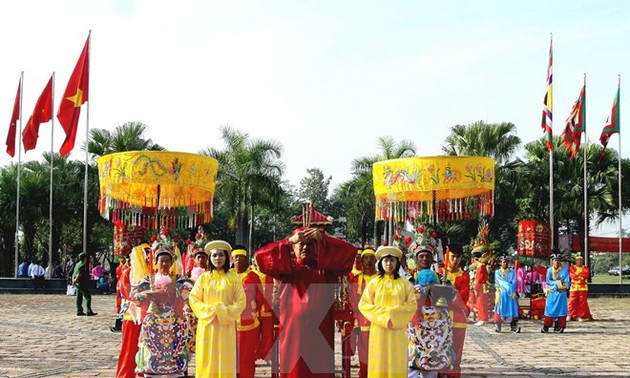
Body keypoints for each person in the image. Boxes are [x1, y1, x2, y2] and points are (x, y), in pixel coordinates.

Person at [255, 226, 356, 378]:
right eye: (300, 244)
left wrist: (325, 238)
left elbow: (349, 253)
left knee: (320, 369)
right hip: (292, 332)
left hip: (321, 332)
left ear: (317, 248)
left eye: (310, 244)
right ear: (293, 247)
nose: (305, 247)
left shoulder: (326, 269)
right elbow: (260, 258)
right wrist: (288, 241)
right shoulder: (287, 269)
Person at [131, 243, 192, 377]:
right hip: (153, 323)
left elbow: (191, 293)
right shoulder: (147, 280)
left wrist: (175, 290)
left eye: (167, 261)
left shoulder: (178, 279)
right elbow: (133, 297)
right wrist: (145, 294)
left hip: (175, 323)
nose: (164, 264)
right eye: (161, 261)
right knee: (152, 353)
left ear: (171, 263)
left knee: (175, 353)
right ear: (155, 262)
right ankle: (150, 372)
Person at [189, 240, 246, 377]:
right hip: (207, 325)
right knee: (206, 359)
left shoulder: (234, 278)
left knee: (225, 358)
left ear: (226, 258)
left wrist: (224, 312)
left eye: (221, 255)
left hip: (226, 326)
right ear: (210, 258)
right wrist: (210, 310)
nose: (217, 258)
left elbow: (241, 301)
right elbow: (193, 298)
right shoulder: (203, 278)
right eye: (214, 255)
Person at [358, 245, 416, 378]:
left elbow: (412, 305)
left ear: (397, 263)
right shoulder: (374, 283)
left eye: (392, 260)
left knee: (398, 360)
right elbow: (364, 304)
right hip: (379, 330)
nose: (389, 264)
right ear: (380, 263)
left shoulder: (405, 283)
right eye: (386, 261)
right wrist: (384, 316)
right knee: (379, 361)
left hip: (398, 329)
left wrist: (394, 314)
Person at [115, 243, 150, 378]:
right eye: (145, 252)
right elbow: (128, 293)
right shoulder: (128, 272)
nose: (148, 256)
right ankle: (125, 374)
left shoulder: (149, 272)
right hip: (133, 316)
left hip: (148, 315)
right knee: (130, 348)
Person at [231, 246, 264, 378]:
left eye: (241, 257)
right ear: (232, 259)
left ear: (246, 259)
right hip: (229, 323)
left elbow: (260, 297)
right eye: (236, 257)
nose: (238, 260)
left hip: (248, 324)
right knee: (231, 356)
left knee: (247, 357)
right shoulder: (228, 275)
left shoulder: (253, 276)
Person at [439, 243, 470, 378]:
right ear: (447, 256)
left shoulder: (464, 276)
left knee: (455, 350)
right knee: (438, 348)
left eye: (458, 257)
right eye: (452, 256)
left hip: (457, 319)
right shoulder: (439, 273)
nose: (455, 260)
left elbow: (463, 297)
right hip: (439, 319)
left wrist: (449, 291)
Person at [347, 248, 378, 378]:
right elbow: (352, 300)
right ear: (362, 260)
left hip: (379, 320)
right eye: (366, 258)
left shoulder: (381, 278)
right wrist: (355, 319)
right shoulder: (356, 279)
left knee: (379, 351)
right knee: (364, 352)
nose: (369, 261)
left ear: (376, 260)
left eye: (371, 258)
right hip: (362, 320)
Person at [541, 252, 570, 333]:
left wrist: (562, 284)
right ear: (552, 261)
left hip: (561, 294)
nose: (556, 262)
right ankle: (546, 326)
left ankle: (560, 326)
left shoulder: (564, 271)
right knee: (550, 309)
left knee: (561, 310)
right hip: (553, 293)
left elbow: (567, 282)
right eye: (554, 260)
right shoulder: (549, 271)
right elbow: (548, 281)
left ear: (560, 261)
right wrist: (557, 283)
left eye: (557, 260)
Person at [493, 256, 520, 333]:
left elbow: (515, 282)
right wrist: (510, 288)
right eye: (504, 262)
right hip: (501, 293)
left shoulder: (512, 272)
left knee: (512, 308)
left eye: (506, 261)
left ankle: (513, 325)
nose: (505, 263)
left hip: (511, 294)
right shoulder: (497, 272)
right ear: (500, 263)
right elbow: (501, 282)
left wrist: (512, 289)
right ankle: (498, 325)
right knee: (499, 308)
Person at [568, 255, 593, 322]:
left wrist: (579, 276)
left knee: (582, 303)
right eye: (578, 260)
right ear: (575, 261)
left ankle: (581, 316)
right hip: (574, 288)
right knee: (572, 302)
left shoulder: (585, 268)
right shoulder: (572, 268)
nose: (579, 261)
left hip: (583, 288)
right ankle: (571, 315)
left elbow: (585, 275)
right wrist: (580, 276)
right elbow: (573, 276)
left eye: (581, 260)